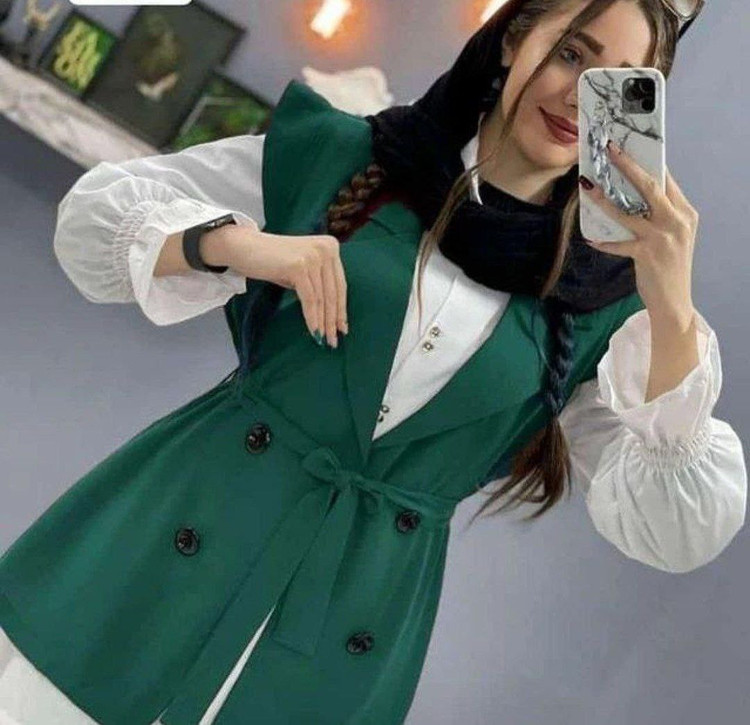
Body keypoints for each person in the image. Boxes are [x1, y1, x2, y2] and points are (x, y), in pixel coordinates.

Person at [0, 0, 745, 723]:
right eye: (572, 53)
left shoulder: (606, 304)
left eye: (618, 83)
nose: (580, 98)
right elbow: (93, 223)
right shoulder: (339, 155)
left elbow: (677, 531)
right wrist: (240, 246)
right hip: (158, 552)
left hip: (343, 630)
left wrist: (672, 311)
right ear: (513, 37)